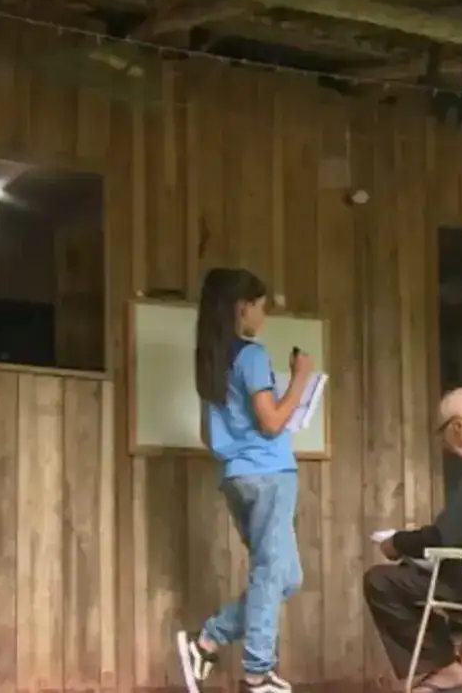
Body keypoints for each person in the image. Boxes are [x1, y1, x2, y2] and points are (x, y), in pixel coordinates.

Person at [176, 267, 314, 693]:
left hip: (236, 477)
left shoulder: (212, 359)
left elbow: (207, 434)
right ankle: (257, 674)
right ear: (242, 307)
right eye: (260, 307)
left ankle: (209, 639)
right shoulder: (251, 356)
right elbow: (272, 422)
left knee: (286, 577)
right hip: (269, 474)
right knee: (271, 574)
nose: (263, 316)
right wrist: (302, 379)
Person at [363, 387, 462, 693]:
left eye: (443, 435)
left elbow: (445, 535)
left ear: (458, 426)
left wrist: (397, 543)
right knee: (418, 574)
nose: (446, 446)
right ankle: (448, 662)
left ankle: (447, 668)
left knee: (381, 581)